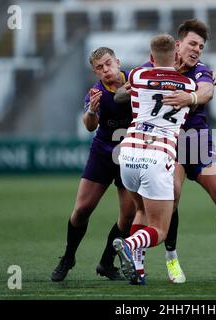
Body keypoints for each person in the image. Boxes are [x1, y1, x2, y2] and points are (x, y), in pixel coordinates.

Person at [136, 19, 216, 283]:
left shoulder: (201, 70)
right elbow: (129, 89)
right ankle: (172, 259)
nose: (197, 49)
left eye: (200, 46)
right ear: (178, 45)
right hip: (168, 141)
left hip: (196, 140)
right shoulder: (153, 67)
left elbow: (206, 92)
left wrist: (189, 97)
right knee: (173, 195)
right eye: (192, 43)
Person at [112, 33, 197, 285]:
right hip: (157, 156)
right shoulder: (189, 85)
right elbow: (194, 101)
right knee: (159, 231)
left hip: (127, 154)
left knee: (141, 210)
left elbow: (123, 94)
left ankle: (137, 268)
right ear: (177, 55)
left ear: (150, 57)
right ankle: (129, 244)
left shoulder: (138, 75)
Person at [51, 47, 135, 282]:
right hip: (103, 152)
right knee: (81, 210)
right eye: (99, 67)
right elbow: (89, 125)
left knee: (128, 215)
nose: (105, 70)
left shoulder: (136, 79)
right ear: (95, 72)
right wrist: (91, 111)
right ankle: (68, 257)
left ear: (118, 62)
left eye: (108, 63)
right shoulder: (96, 93)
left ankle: (106, 263)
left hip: (130, 154)